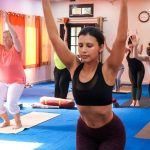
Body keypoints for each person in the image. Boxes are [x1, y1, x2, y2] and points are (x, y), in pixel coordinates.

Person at [42, 0, 128, 149]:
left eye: (89, 45)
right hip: (84, 131)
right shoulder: (74, 66)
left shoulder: (109, 69)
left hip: (111, 132)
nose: (83, 50)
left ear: (100, 47)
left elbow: (121, 40)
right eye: (80, 45)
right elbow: (54, 37)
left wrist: (124, 2)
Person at [0, 12, 26, 129]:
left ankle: (18, 123)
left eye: (8, 37)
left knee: (11, 103)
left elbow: (15, 36)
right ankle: (6, 121)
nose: (5, 39)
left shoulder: (16, 49)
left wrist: (7, 22)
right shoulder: (1, 49)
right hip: (3, 81)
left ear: (12, 38)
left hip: (17, 81)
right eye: (3, 37)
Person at [126, 35, 145, 107]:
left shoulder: (137, 51)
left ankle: (138, 101)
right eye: (130, 46)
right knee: (133, 85)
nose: (131, 48)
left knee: (138, 84)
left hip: (140, 70)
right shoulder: (127, 51)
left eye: (132, 47)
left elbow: (140, 49)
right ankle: (133, 100)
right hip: (131, 70)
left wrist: (136, 41)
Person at [53, 24, 71, 99]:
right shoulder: (55, 48)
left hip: (65, 69)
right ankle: (57, 98)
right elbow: (53, 37)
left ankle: (63, 97)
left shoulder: (65, 47)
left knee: (62, 83)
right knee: (57, 84)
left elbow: (65, 39)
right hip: (57, 69)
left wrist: (66, 30)